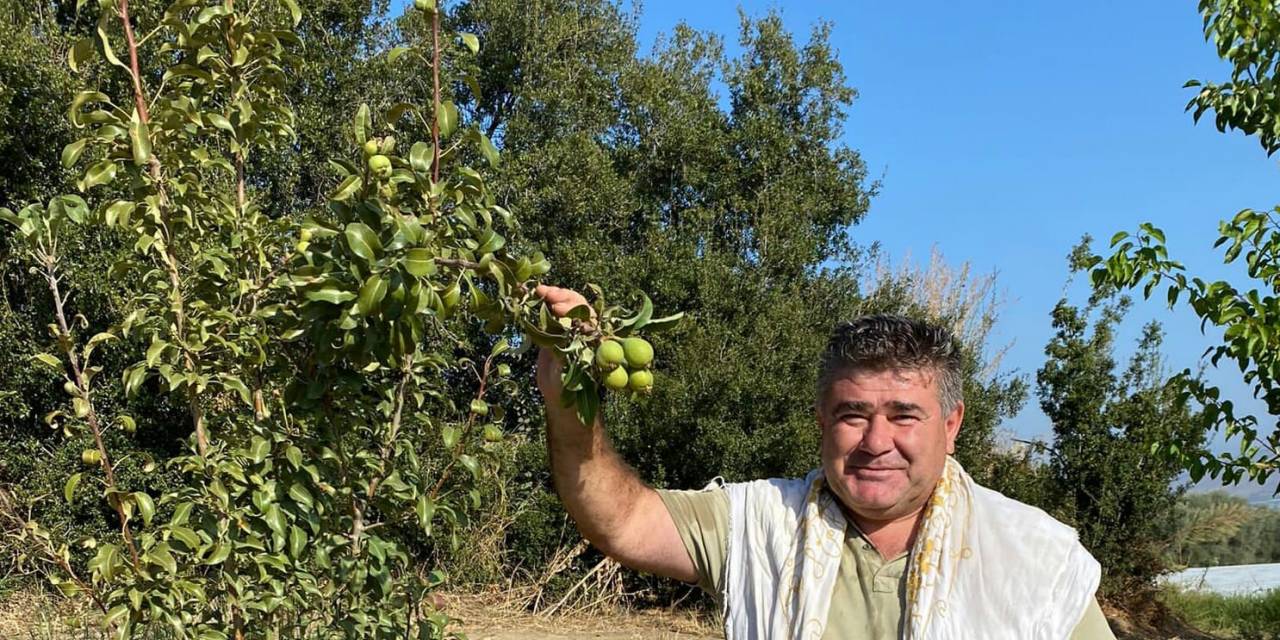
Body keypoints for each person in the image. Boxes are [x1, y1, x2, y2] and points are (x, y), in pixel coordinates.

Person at [534, 284, 1117, 639]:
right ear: (821, 420)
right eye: (853, 414)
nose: (876, 441)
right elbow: (624, 522)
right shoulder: (761, 523)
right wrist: (569, 402)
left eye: (904, 416)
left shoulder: (1035, 558)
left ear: (951, 425)